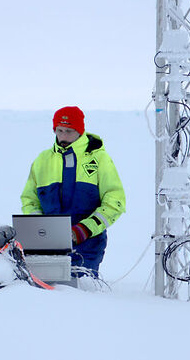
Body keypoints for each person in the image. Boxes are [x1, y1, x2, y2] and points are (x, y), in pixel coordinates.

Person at [21, 106, 125, 276]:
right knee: (46, 295)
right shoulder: (42, 160)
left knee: (78, 295)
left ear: (80, 131)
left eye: (68, 131)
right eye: (59, 130)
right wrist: (40, 227)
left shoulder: (99, 159)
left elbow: (116, 201)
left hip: (87, 246)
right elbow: (29, 200)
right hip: (48, 246)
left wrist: (84, 230)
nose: (63, 136)